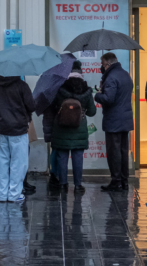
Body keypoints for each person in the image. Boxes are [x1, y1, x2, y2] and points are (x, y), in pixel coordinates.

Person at [51, 61, 97, 193]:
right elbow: (92, 111)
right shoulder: (86, 90)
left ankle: (63, 184)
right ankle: (77, 185)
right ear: (80, 72)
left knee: (62, 157)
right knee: (78, 158)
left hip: (61, 129)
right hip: (79, 129)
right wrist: (81, 111)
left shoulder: (60, 88)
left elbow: (54, 107)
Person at [95, 53, 134, 192]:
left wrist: (98, 95)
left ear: (108, 64)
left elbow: (108, 99)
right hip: (125, 119)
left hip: (114, 121)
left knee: (114, 152)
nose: (102, 67)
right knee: (123, 151)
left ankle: (116, 181)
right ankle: (124, 181)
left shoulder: (111, 77)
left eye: (103, 64)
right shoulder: (125, 74)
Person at [0, 74, 35, 203]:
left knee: (3, 162)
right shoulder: (22, 86)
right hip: (18, 128)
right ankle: (14, 194)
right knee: (18, 163)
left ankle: (2, 194)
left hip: (1, 128)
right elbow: (31, 106)